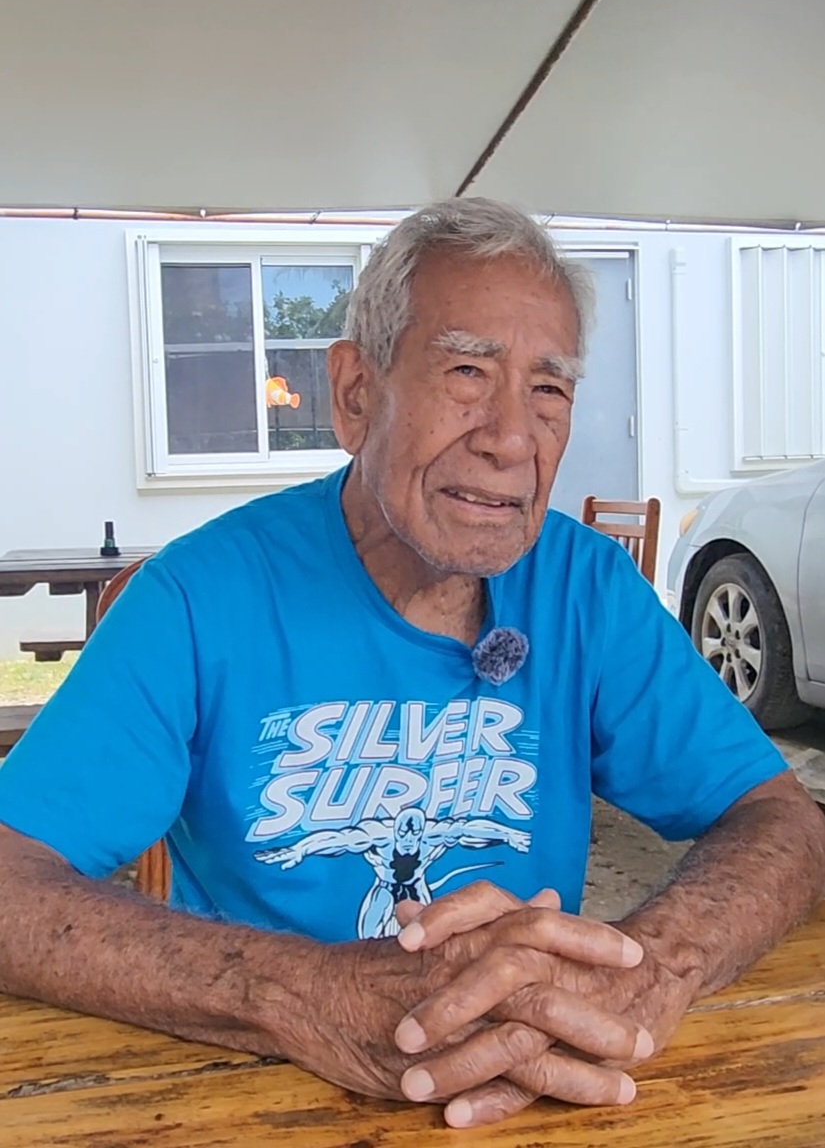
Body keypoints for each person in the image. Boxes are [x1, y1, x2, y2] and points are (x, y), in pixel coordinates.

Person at [0, 198, 823, 1131]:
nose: (512, 438)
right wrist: (300, 992)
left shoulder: (583, 588)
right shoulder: (200, 597)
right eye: (466, 372)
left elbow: (781, 824)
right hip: (253, 1095)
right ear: (356, 393)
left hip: (514, 1097)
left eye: (548, 390)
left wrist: (644, 972)